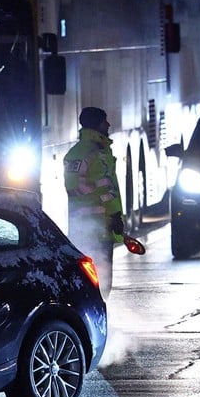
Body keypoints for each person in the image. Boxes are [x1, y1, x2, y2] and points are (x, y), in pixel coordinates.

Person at [64, 106, 125, 299]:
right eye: (104, 121)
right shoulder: (98, 153)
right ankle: (101, 317)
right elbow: (106, 189)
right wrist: (115, 216)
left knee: (85, 278)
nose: (108, 124)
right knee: (103, 280)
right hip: (100, 225)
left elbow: (73, 187)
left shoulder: (73, 153)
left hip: (79, 226)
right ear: (96, 124)